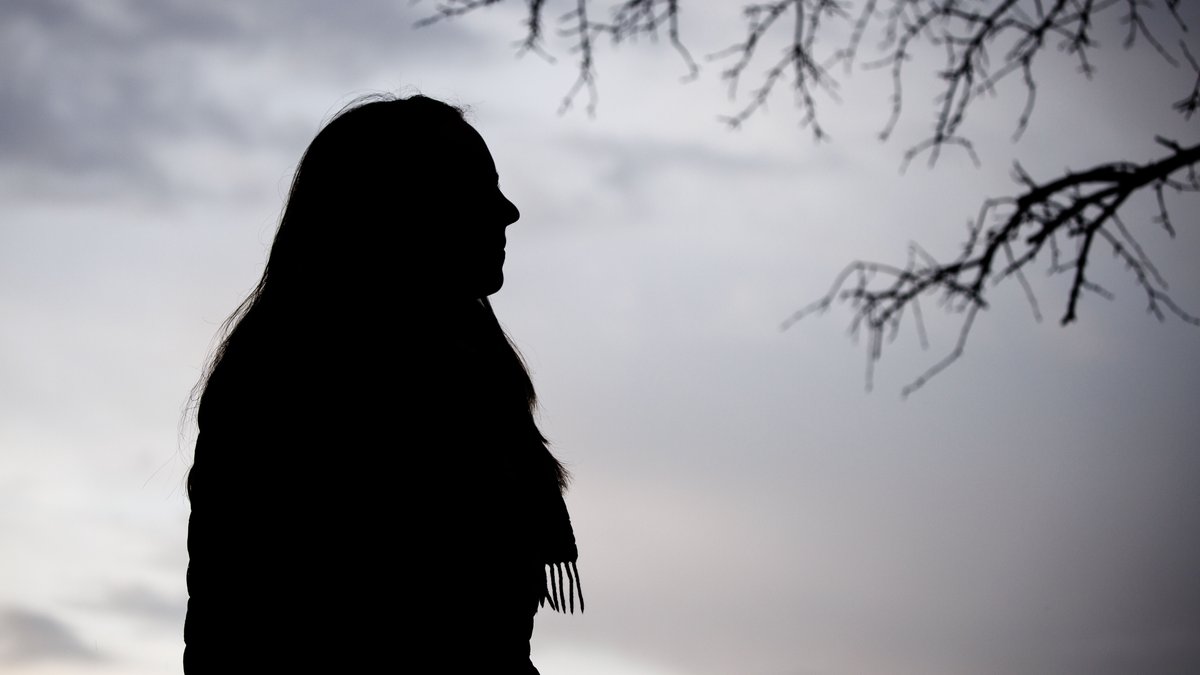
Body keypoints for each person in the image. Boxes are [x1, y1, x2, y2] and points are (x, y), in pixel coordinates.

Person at [183, 93, 582, 673]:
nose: (508, 210)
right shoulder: (299, 380)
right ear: (404, 208)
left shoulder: (472, 383)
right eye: (478, 186)